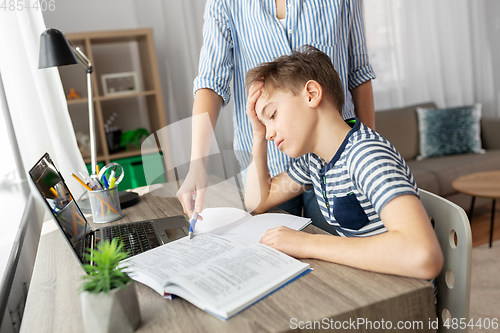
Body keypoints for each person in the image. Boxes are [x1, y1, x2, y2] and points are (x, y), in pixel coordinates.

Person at [244, 46, 443, 279]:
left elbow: (423, 255)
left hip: (401, 301)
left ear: (311, 94)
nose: (269, 133)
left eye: (273, 115)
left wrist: (306, 243)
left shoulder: (365, 155)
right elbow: (258, 201)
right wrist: (257, 135)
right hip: (365, 282)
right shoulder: (315, 161)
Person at [177, 0, 375, 230]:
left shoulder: (369, 162)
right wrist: (197, 164)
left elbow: (359, 73)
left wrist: (362, 151)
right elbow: (210, 81)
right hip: (266, 170)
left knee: (340, 249)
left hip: (334, 160)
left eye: (271, 115)